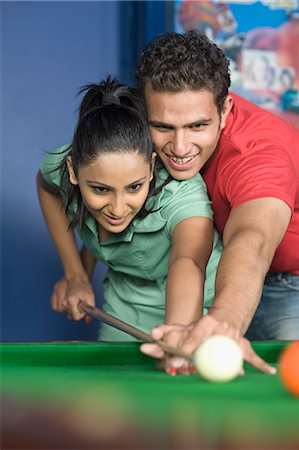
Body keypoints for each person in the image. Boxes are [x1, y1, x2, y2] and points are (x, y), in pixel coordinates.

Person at [134, 30, 299, 370]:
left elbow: (251, 239)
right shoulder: (137, 132)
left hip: (291, 286)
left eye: (197, 126)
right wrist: (78, 271)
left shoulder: (258, 152)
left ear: (225, 110)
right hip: (221, 277)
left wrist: (224, 318)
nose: (179, 148)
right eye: (163, 127)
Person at [36, 76, 223, 345]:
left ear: (150, 167)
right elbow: (46, 186)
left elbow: (189, 262)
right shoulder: (64, 166)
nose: (118, 208)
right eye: (101, 190)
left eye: (134, 187)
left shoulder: (183, 195)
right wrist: (76, 275)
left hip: (197, 304)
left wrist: (180, 331)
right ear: (73, 171)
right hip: (124, 302)